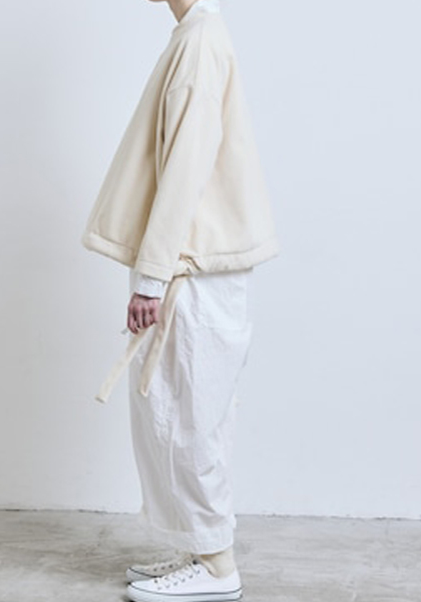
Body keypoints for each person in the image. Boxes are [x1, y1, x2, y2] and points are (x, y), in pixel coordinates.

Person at [81, 0, 280, 600]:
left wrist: (152, 275)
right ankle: (198, 550)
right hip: (188, 264)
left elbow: (187, 163)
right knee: (175, 414)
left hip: (189, 268)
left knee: (189, 418)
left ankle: (217, 567)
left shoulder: (201, 39)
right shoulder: (196, 33)